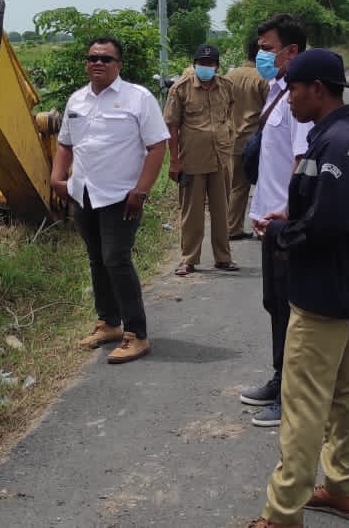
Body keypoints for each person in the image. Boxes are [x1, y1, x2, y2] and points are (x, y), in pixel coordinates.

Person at [248, 48, 349, 528]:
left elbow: (327, 224)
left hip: (321, 294)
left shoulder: (334, 147)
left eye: (292, 90)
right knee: (345, 393)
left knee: (302, 405)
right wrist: (294, 214)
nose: (286, 100)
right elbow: (329, 210)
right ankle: (345, 489)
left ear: (317, 89)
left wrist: (284, 233)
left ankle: (282, 513)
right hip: (347, 290)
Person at [50, 37, 169, 364]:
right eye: (92, 58)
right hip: (84, 193)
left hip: (122, 195)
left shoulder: (138, 98)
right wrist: (57, 178)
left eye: (105, 58)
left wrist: (141, 191)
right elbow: (65, 144)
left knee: (116, 259)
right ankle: (109, 322)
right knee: (97, 259)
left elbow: (157, 146)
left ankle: (136, 334)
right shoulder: (77, 100)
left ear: (119, 64)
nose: (97, 63)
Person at [239, 14, 312, 428]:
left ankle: (294, 395)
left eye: (267, 48)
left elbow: (301, 162)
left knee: (293, 309)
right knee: (275, 303)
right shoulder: (275, 90)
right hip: (268, 219)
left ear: (291, 52)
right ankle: (280, 376)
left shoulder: (298, 98)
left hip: (286, 222)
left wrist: (291, 216)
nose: (260, 54)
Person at [164, 43, 237, 275]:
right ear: (195, 64)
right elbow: (172, 127)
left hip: (221, 158)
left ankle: (223, 257)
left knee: (222, 210)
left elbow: (229, 113)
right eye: (202, 63)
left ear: (217, 66)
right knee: (192, 212)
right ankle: (189, 259)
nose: (206, 67)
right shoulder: (180, 89)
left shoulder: (226, 86)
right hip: (192, 160)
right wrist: (174, 161)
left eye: (210, 63)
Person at [224, 41, 269, 242]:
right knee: (263, 183)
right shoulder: (263, 78)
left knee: (236, 186)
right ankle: (260, 225)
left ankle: (230, 226)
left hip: (231, 138)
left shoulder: (229, 76)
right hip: (256, 140)